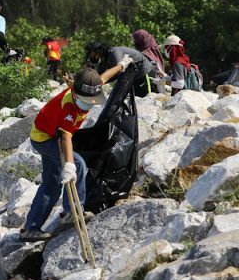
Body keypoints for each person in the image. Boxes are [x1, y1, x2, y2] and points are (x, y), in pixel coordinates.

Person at [21, 61, 131, 242]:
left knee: (51, 185)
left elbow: (103, 77)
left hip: (53, 135)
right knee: (78, 163)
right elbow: (65, 137)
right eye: (86, 101)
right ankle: (72, 212)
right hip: (44, 138)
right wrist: (69, 166)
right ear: (74, 93)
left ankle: (30, 229)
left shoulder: (88, 87)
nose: (89, 105)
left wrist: (121, 65)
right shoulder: (67, 107)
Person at [85, 42, 159, 97]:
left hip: (145, 73)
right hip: (134, 77)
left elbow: (119, 72)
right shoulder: (102, 62)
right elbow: (99, 77)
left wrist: (103, 81)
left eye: (92, 55)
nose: (92, 58)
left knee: (147, 98)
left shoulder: (114, 52)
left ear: (98, 52)